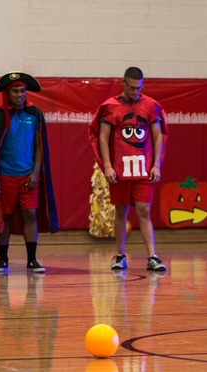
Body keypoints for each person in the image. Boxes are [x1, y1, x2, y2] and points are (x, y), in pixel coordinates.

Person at [88, 67, 167, 272]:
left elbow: (158, 135)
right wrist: (107, 165)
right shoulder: (110, 106)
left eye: (138, 88)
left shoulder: (150, 106)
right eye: (131, 88)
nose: (135, 92)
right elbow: (103, 137)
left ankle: (152, 256)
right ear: (123, 83)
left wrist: (157, 164)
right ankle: (120, 254)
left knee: (144, 210)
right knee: (121, 211)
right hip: (120, 169)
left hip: (143, 168)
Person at [0, 71, 58, 274]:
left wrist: (36, 173)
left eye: (23, 91)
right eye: (15, 91)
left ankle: (32, 260)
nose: (20, 94)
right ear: (7, 94)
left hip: (28, 176)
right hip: (5, 176)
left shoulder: (35, 116)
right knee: (4, 216)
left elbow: (40, 147)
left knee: (30, 213)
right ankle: (3, 260)